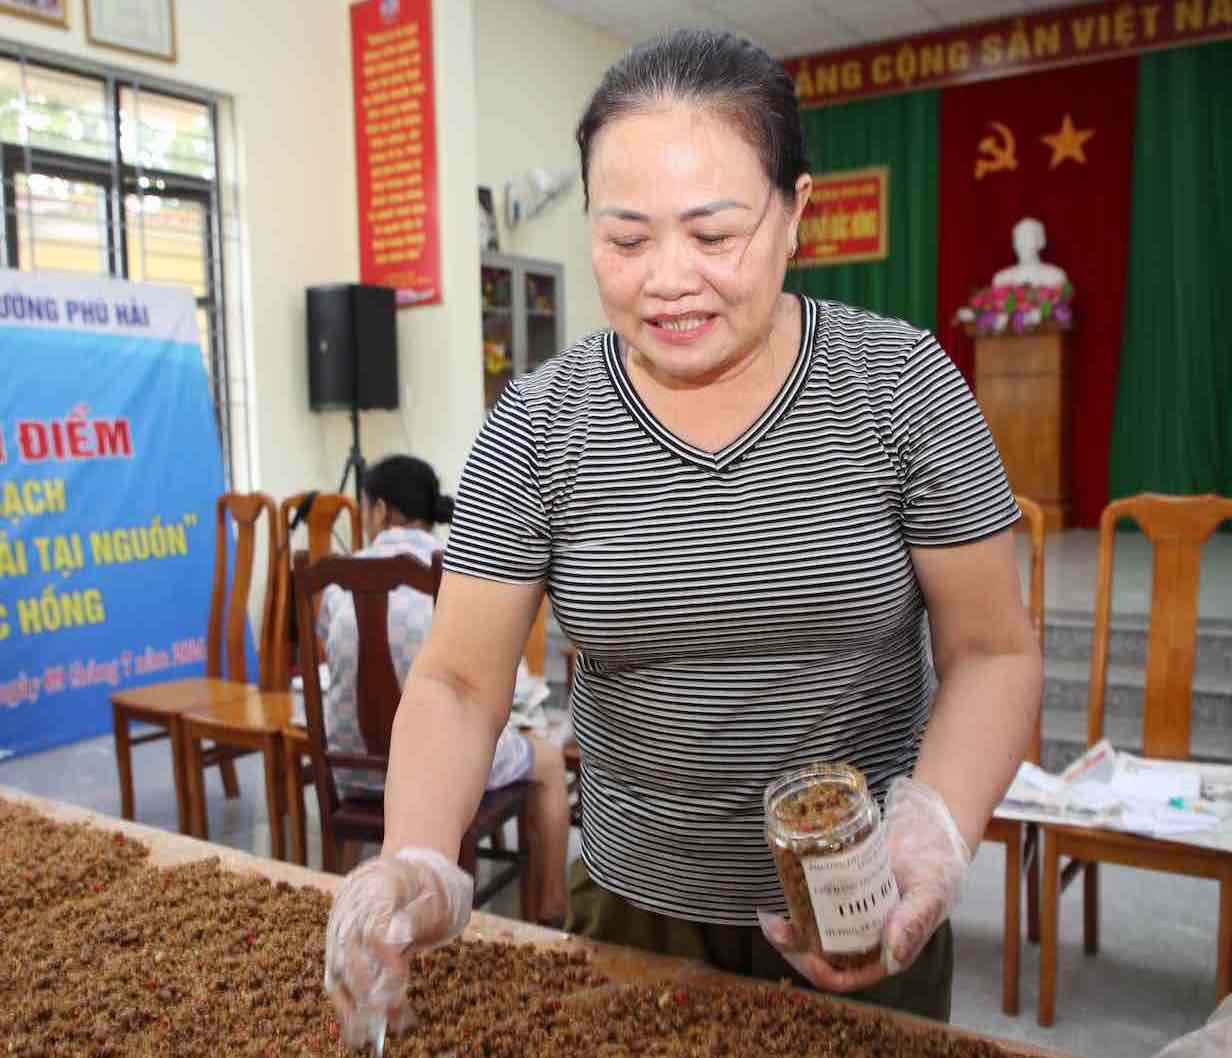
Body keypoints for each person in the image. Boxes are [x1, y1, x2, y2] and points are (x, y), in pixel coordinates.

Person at [323, 30, 1042, 1048]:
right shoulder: (537, 424)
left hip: (861, 900)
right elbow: (457, 682)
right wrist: (418, 858)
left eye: (713, 235)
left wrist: (934, 826)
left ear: (795, 211)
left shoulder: (899, 385)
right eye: (624, 240)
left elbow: (991, 649)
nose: (667, 280)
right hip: (634, 909)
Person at [315, 455, 570, 926]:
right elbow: (490, 682)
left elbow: (330, 654)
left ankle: (351, 900)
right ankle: (551, 906)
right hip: (439, 777)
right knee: (550, 763)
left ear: (380, 511)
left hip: (349, 769)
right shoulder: (458, 573)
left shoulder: (337, 578)